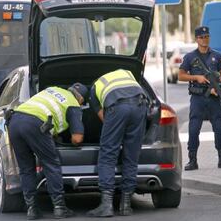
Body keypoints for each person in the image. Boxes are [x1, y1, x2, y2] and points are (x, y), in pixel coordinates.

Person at [8, 83, 88, 220]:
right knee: (51, 164)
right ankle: (59, 208)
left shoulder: (53, 89)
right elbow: (77, 138)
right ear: (81, 99)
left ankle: (31, 209)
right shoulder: (73, 105)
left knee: (26, 168)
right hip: (35, 124)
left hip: (14, 121)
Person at [86, 69, 147, 217]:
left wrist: (115, 134)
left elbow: (105, 118)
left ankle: (106, 205)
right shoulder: (126, 72)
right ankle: (126, 205)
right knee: (131, 155)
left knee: (108, 153)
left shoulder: (94, 89)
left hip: (117, 106)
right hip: (140, 104)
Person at [178, 26, 221, 171]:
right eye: (202, 37)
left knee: (219, 128)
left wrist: (218, 87)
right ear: (196, 39)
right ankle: (192, 160)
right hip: (198, 98)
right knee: (194, 129)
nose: (205, 39)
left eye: (207, 36)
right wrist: (196, 77)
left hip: (214, 97)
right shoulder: (190, 57)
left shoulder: (217, 55)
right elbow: (181, 75)